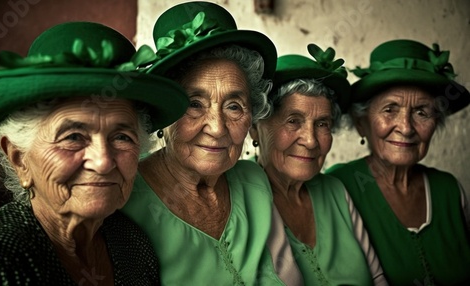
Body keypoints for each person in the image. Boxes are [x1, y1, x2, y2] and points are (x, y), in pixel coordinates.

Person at [0, 21, 189, 285]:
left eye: (121, 137)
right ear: (19, 159)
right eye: (73, 137)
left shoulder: (132, 243)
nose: (103, 161)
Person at [121, 2, 302, 285]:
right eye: (194, 104)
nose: (217, 129)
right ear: (164, 113)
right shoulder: (125, 198)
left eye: (233, 106)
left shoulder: (253, 182)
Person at [326, 39, 470, 285]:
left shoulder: (449, 189)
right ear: (362, 123)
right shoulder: (339, 187)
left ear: (436, 124)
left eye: (422, 112)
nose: (406, 128)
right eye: (390, 109)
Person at [250, 44, 387, 285]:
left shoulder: (336, 191)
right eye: (293, 121)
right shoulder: (239, 196)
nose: (311, 141)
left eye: (322, 124)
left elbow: (377, 278)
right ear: (254, 128)